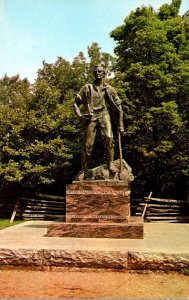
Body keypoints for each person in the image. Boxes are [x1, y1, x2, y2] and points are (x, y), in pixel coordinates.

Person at [74, 64, 124, 180]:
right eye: (96, 71)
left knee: (108, 137)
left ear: (104, 73)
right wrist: (80, 116)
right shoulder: (87, 87)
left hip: (104, 115)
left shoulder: (109, 89)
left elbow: (119, 107)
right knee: (87, 145)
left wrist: (121, 124)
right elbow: (76, 103)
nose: (98, 73)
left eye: (100, 71)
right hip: (92, 117)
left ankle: (111, 164)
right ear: (93, 73)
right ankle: (83, 170)